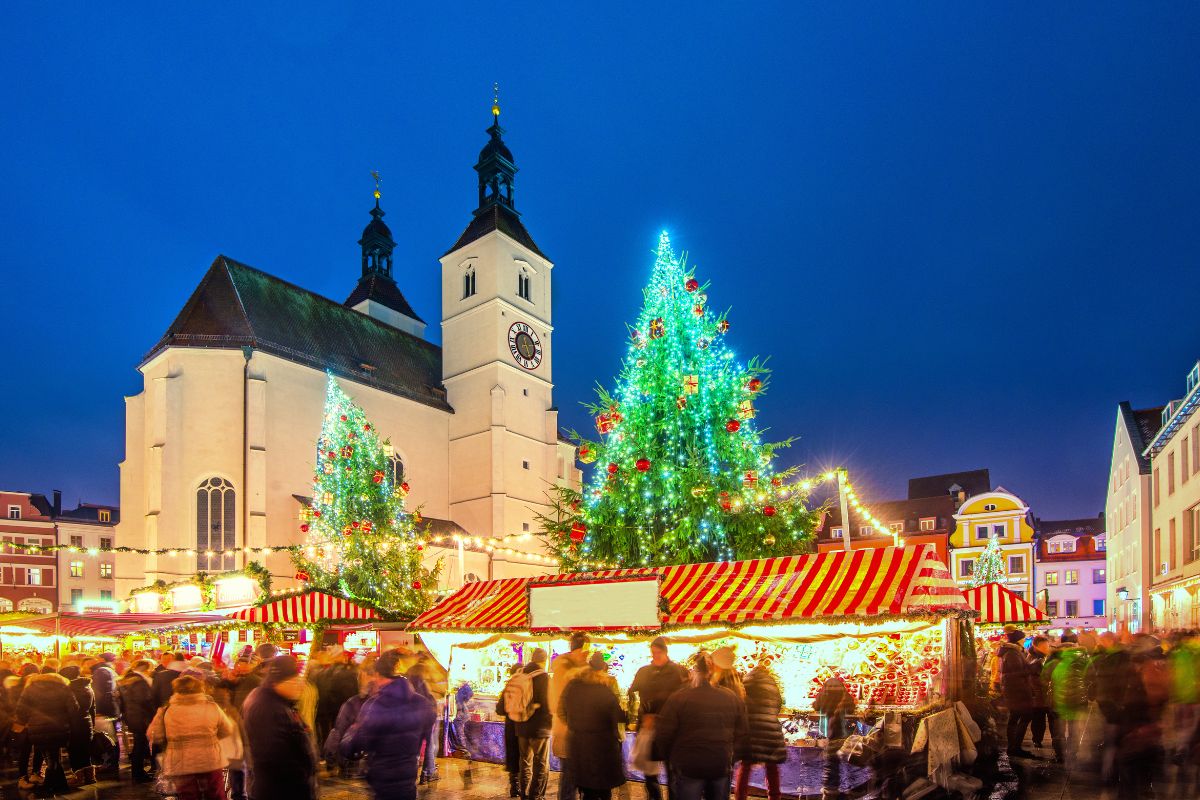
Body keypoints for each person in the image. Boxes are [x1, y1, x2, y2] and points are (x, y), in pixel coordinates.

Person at [342, 649, 437, 800]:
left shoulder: (375, 705)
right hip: (408, 778)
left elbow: (356, 744)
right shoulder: (421, 703)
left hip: (383, 781)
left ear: (379, 675)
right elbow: (429, 723)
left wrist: (350, 733)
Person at [655, 652, 748, 800]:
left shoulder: (679, 697)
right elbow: (742, 734)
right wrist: (730, 757)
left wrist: (673, 759)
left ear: (695, 672)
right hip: (720, 764)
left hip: (689, 767)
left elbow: (664, 734)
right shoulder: (731, 698)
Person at [242, 655, 317, 800]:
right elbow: (276, 758)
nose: (300, 686)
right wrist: (302, 778)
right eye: (294, 681)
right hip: (281, 790)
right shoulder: (269, 709)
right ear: (279, 682)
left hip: (280, 787)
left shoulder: (278, 703)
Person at [147, 674, 233, 800]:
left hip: (180, 762)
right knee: (215, 793)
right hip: (210, 758)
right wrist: (210, 738)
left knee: (188, 795)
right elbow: (227, 730)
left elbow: (154, 734)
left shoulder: (166, 710)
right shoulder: (212, 707)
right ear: (200, 689)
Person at [628, 636, 690, 800]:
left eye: (658, 652)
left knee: (673, 773)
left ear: (665, 652)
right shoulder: (644, 671)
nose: (655, 655)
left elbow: (684, 700)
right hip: (648, 728)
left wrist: (662, 716)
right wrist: (640, 714)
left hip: (671, 730)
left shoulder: (677, 671)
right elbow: (632, 693)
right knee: (650, 774)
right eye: (653, 652)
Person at [559, 652, 627, 800]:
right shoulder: (605, 689)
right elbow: (618, 716)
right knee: (603, 790)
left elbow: (561, 710)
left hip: (579, 746)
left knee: (587, 791)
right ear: (603, 668)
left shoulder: (573, 686)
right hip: (602, 748)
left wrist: (575, 726)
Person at [15, 671, 83, 792]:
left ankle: (51, 785)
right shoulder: (63, 688)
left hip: (37, 728)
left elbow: (21, 709)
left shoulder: (30, 688)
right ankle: (58, 784)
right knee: (53, 755)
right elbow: (74, 708)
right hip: (60, 727)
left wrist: (22, 721)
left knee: (50, 756)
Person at [736, 656, 787, 800]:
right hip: (770, 729)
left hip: (751, 728)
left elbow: (740, 703)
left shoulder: (746, 681)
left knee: (745, 765)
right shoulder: (772, 684)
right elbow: (777, 705)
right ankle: (774, 796)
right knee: (772, 766)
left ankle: (740, 796)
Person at [552, 632, 591, 800]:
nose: (586, 656)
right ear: (578, 650)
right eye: (585, 652)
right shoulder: (567, 671)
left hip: (575, 732)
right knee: (570, 780)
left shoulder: (573, 667)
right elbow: (561, 704)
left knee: (574, 779)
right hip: (568, 733)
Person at [509, 648, 552, 800]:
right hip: (539, 728)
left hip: (521, 725)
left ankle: (524, 794)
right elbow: (547, 704)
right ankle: (535, 796)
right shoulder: (544, 677)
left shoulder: (521, 674)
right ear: (545, 660)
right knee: (541, 763)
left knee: (525, 762)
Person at [813, 674, 856, 800]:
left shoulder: (823, 693)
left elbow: (816, 706)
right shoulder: (844, 694)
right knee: (847, 762)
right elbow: (851, 709)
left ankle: (830, 791)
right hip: (843, 734)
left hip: (829, 733)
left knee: (831, 764)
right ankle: (849, 789)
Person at [997, 628, 1036, 758]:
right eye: (1022, 638)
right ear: (1017, 640)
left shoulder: (1012, 652)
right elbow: (1013, 674)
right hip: (1016, 690)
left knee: (1016, 717)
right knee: (1023, 716)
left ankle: (1014, 747)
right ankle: (1015, 747)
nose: (1024, 640)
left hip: (1014, 690)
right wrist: (1031, 669)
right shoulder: (1012, 653)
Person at [119, 658, 158, 784]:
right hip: (142, 717)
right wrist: (154, 713)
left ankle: (138, 772)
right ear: (146, 669)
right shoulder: (139, 682)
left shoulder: (126, 680)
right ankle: (138, 773)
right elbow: (145, 700)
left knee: (139, 744)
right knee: (140, 745)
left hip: (132, 716)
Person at [59, 664, 96, 786]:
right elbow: (93, 708)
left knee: (74, 751)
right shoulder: (88, 687)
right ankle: (90, 776)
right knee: (85, 751)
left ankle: (78, 777)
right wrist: (92, 724)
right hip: (86, 722)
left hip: (73, 723)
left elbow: (69, 709)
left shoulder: (69, 689)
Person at [406, 662, 441, 784]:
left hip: (413, 717)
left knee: (416, 746)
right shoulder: (422, 683)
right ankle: (428, 772)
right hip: (426, 716)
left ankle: (416, 773)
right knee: (430, 744)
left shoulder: (407, 684)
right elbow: (428, 699)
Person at [494, 663, 525, 797]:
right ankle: (522, 787)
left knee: (513, 755)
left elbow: (499, 709)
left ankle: (515, 786)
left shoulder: (508, 687)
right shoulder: (526, 685)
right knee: (523, 756)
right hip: (522, 725)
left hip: (510, 726)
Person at [1027, 636, 1052, 752]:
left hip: (1044, 695)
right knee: (1038, 719)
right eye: (1045, 646)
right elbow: (1035, 680)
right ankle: (1037, 740)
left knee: (1044, 719)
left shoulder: (1043, 657)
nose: (1047, 648)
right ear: (1036, 646)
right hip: (1039, 695)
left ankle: (1039, 739)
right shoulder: (1034, 660)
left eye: (1048, 645)